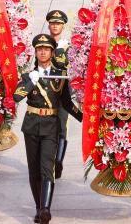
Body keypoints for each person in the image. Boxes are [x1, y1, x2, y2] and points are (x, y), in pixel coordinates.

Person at [13, 33, 81, 223]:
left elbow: (67, 104)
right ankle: (38, 206)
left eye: (46, 49)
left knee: (47, 168)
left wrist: (85, 118)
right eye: (39, 49)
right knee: (34, 171)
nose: (43, 52)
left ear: (52, 52)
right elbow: (16, 97)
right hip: (32, 126)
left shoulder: (60, 76)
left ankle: (45, 209)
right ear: (35, 52)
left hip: (51, 126)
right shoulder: (28, 75)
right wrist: (30, 81)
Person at [44, 10, 72, 179]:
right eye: (53, 23)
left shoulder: (68, 46)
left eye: (58, 23)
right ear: (49, 25)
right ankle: (47, 160)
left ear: (63, 26)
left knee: (61, 126)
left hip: (62, 92)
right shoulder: (41, 44)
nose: (55, 26)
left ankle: (58, 161)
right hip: (44, 92)